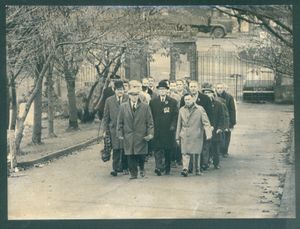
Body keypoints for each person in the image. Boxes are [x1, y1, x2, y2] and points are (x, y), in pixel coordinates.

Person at [117, 88, 154, 179]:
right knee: (130, 154)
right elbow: (120, 122)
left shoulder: (145, 107)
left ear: (138, 96)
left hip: (141, 135)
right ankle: (133, 173)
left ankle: (141, 169)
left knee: (141, 154)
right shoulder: (123, 107)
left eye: (136, 95)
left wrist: (150, 134)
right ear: (129, 96)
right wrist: (120, 134)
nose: (134, 97)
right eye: (132, 95)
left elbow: (150, 122)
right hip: (128, 135)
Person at [180, 81, 213, 172]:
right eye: (191, 86)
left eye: (194, 86)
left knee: (200, 147)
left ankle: (201, 166)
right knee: (188, 148)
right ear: (189, 88)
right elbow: (181, 112)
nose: (193, 88)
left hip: (199, 127)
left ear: (198, 87)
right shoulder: (185, 98)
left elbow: (210, 113)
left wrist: (210, 127)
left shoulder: (205, 98)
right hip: (188, 129)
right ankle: (189, 168)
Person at [100, 80, 129, 176]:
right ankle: (115, 168)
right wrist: (104, 130)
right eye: (118, 90)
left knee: (125, 149)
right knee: (116, 148)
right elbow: (105, 117)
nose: (120, 91)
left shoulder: (128, 98)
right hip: (114, 129)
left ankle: (125, 167)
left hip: (126, 129)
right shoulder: (109, 100)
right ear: (114, 90)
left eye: (122, 89)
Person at [149, 80, 178, 176]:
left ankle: (167, 168)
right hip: (157, 130)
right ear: (158, 90)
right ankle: (158, 167)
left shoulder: (172, 102)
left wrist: (173, 126)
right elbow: (150, 116)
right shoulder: (153, 102)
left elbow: (175, 115)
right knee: (157, 149)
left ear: (167, 90)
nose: (162, 91)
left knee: (167, 150)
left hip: (168, 131)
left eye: (164, 89)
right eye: (160, 89)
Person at [202, 87, 229, 169]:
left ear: (213, 94)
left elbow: (222, 117)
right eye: (205, 93)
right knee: (206, 148)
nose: (207, 95)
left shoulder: (218, 104)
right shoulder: (202, 105)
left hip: (216, 129)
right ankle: (205, 164)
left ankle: (216, 163)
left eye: (209, 93)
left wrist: (220, 128)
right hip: (205, 129)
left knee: (215, 148)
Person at [216, 83, 237, 157]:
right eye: (218, 88)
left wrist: (232, 122)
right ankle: (219, 151)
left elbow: (232, 110)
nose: (219, 90)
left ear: (223, 89)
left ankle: (225, 151)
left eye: (221, 88)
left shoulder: (229, 97)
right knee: (219, 135)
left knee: (227, 135)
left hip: (227, 119)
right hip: (219, 119)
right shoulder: (214, 97)